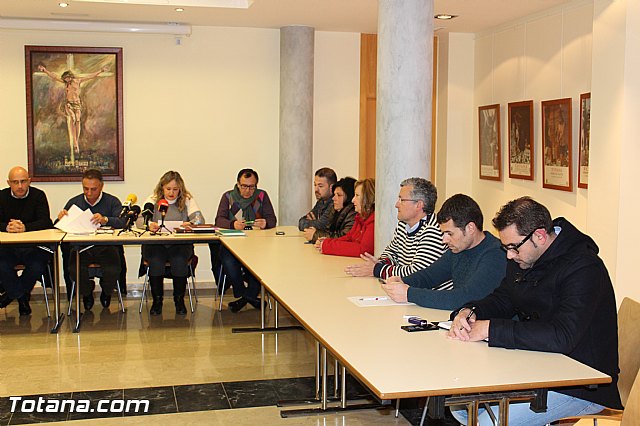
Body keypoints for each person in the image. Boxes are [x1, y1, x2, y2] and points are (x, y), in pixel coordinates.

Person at [447, 197, 622, 425]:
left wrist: (490, 329)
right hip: (536, 367)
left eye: (513, 247)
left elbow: (562, 336)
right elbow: (504, 298)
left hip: (582, 384)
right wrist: (470, 310)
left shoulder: (584, 268)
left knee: (488, 422)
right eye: (505, 248)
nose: (509, 255)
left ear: (539, 236)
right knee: (461, 405)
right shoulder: (524, 256)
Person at [381, 194, 505, 310]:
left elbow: (465, 298)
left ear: (470, 228)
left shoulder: (495, 254)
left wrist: (409, 294)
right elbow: (430, 276)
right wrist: (402, 281)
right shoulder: (459, 248)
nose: (444, 240)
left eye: (449, 233)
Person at [344, 177, 448, 280]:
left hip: (431, 294)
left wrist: (377, 269)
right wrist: (381, 263)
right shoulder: (403, 224)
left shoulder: (434, 230)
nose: (396, 205)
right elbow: (392, 253)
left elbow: (415, 273)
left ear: (419, 205)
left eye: (402, 200)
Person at [57, 169, 125, 310]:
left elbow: (123, 222)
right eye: (85, 189)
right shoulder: (75, 202)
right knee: (73, 268)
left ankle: (106, 293)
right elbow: (57, 228)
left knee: (113, 268)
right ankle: (87, 294)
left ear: (101, 186)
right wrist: (60, 218)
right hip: (81, 248)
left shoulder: (112, 201)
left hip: (106, 247)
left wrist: (106, 219)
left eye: (93, 189)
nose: (89, 193)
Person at [138, 171, 205, 315]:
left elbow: (200, 220)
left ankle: (179, 301)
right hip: (156, 244)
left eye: (175, 189)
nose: (171, 193)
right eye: (168, 189)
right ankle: (157, 302)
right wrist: (149, 224)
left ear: (180, 189)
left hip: (179, 244)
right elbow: (139, 221)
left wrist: (191, 224)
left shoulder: (187, 199)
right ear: (162, 187)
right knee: (156, 261)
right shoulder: (153, 199)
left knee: (179, 260)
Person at [214, 168, 277, 312]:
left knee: (260, 261)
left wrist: (266, 223)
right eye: (244, 186)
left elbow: (272, 219)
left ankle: (246, 298)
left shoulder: (262, 196)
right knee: (227, 258)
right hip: (233, 243)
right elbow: (219, 220)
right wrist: (232, 224)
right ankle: (245, 294)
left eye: (251, 186)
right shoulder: (228, 197)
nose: (248, 190)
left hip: (257, 243)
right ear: (237, 184)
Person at [0, 166, 54, 315]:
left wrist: (25, 227)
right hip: (7, 249)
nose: (20, 186)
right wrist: (7, 227)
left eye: (23, 181)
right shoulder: (1, 196)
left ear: (29, 181)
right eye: (15, 182)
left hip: (33, 247)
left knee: (37, 266)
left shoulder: (38, 196)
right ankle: (21, 297)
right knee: (2, 266)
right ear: (8, 183)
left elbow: (45, 222)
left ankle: (11, 295)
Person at [37, 64, 109, 160]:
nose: (66, 80)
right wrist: (45, 70)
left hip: (77, 104)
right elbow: (54, 76)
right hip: (69, 104)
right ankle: (75, 142)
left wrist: (101, 71)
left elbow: (90, 76)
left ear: (70, 76)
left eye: (67, 78)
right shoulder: (65, 83)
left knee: (78, 121)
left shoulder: (78, 81)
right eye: (65, 78)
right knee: (73, 118)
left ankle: (76, 141)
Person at [317, 178, 375, 257]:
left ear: (368, 198)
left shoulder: (374, 222)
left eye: (357, 195)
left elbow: (364, 250)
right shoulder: (361, 218)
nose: (353, 200)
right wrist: (328, 241)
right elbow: (349, 237)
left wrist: (327, 245)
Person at [303, 177, 357, 244]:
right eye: (334, 194)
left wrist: (315, 235)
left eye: (339, 195)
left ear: (350, 198)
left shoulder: (353, 215)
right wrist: (316, 231)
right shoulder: (334, 210)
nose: (334, 198)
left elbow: (343, 238)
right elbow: (327, 231)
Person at [298, 167, 337, 236]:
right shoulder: (321, 201)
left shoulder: (334, 203)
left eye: (320, 186)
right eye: (315, 185)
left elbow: (321, 225)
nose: (316, 190)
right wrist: (314, 222)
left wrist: (314, 222)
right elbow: (301, 222)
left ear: (332, 188)